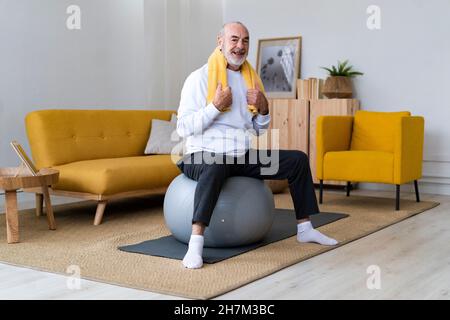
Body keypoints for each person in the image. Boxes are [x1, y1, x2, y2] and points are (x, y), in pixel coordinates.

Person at [176, 21, 338, 269]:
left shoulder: (250, 80)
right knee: (216, 164)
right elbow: (183, 128)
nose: (240, 46)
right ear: (220, 41)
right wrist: (214, 107)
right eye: (234, 39)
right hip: (201, 155)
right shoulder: (199, 78)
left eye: (245, 40)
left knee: (297, 159)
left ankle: (305, 228)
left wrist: (264, 109)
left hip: (239, 154)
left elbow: (257, 129)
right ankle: (195, 244)